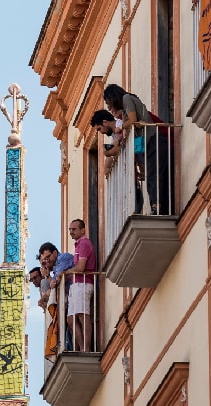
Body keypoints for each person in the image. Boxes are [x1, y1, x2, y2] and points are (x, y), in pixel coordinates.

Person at [103, 84, 172, 215]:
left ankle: (157, 206)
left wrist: (121, 127)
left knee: (154, 175)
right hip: (146, 141)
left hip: (152, 138)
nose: (110, 107)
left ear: (112, 97)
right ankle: (155, 205)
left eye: (109, 103)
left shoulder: (126, 99)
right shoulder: (123, 110)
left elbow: (133, 120)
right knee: (152, 176)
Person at [61, 219, 97, 352]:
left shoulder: (84, 243)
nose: (71, 232)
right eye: (69, 229)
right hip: (76, 284)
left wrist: (66, 272)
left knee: (82, 315)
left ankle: (86, 349)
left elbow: (81, 267)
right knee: (71, 319)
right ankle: (82, 347)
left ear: (82, 230)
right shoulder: (78, 245)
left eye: (74, 229)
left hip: (83, 283)